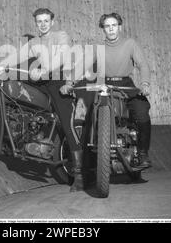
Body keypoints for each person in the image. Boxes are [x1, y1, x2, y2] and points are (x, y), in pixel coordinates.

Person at [0, 8, 88, 191]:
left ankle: (80, 174)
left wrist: (45, 71)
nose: (43, 24)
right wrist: (2, 65)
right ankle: (21, 130)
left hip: (57, 79)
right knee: (15, 81)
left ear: (52, 22)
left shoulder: (60, 36)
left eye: (46, 21)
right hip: (41, 80)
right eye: (39, 21)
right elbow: (18, 55)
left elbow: (62, 55)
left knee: (67, 119)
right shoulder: (34, 43)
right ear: (36, 23)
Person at [61, 12, 152, 169]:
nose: (111, 29)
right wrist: (69, 83)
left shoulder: (130, 44)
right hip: (104, 83)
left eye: (114, 25)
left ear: (119, 27)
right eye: (107, 26)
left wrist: (145, 84)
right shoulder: (98, 47)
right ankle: (89, 154)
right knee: (87, 109)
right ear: (103, 29)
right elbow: (82, 66)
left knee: (142, 110)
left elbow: (143, 65)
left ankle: (143, 153)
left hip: (126, 83)